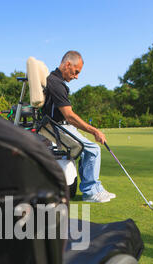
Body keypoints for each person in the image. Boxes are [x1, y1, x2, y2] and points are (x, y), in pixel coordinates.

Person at [43, 51, 115, 203]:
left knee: (85, 152)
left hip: (60, 125)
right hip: (56, 126)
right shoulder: (55, 83)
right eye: (76, 72)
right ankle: (90, 192)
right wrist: (95, 131)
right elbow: (69, 115)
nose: (76, 77)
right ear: (67, 64)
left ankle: (96, 188)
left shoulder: (56, 81)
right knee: (93, 150)